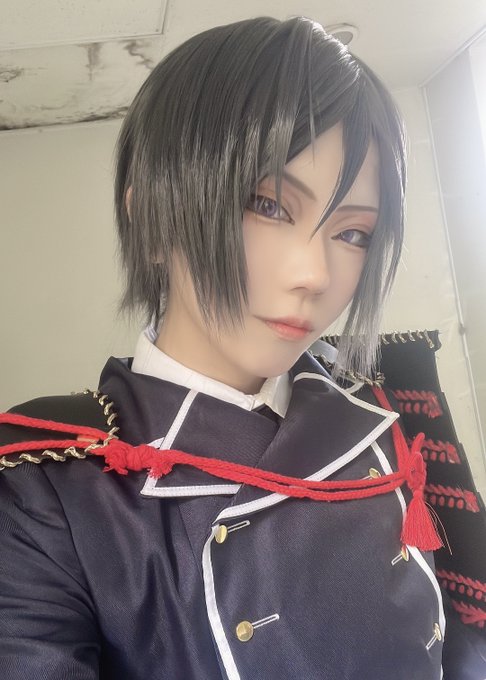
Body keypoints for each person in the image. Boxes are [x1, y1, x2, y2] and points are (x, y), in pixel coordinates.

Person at [0, 15, 484, 680]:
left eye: (353, 234)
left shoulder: (383, 413)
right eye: (268, 205)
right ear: (153, 222)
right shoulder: (45, 484)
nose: (314, 274)